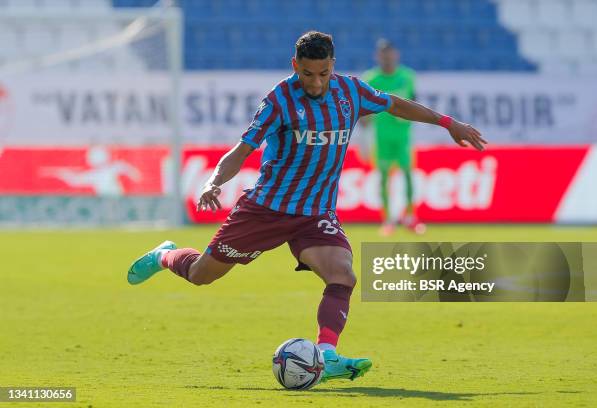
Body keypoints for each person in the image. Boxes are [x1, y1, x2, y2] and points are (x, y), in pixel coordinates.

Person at [127, 31, 486, 383]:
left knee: (343, 274)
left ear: (333, 65)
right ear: (294, 65)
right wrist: (213, 182)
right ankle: (165, 256)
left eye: (323, 73)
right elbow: (242, 149)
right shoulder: (278, 100)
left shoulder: (351, 91)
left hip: (315, 214)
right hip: (267, 210)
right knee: (201, 275)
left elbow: (395, 104)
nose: (315, 83)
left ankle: (326, 355)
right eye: (307, 74)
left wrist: (448, 123)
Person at [362, 39, 421, 236]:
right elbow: (365, 109)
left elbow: (414, 102)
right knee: (384, 177)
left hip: (403, 136)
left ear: (396, 55)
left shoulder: (407, 76)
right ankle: (388, 220)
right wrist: (364, 123)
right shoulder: (371, 78)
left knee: (407, 174)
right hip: (382, 136)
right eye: (383, 54)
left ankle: (411, 217)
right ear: (377, 56)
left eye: (389, 54)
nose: (387, 58)